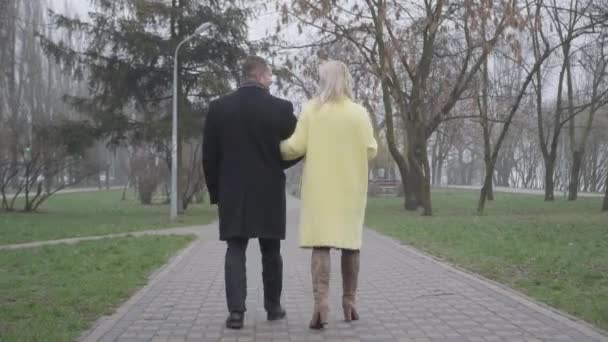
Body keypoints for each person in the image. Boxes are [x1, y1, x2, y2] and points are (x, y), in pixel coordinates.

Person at [202, 56, 299, 330]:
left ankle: (236, 314)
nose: (270, 81)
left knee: (235, 249)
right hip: (269, 190)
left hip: (233, 191)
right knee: (271, 250)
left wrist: (216, 192)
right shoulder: (280, 108)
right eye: (269, 76)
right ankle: (273, 308)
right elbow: (298, 145)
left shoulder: (219, 108)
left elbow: (209, 156)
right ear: (259, 76)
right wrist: (279, 163)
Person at [280, 60, 378, 330]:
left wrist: (272, 146)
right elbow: (371, 150)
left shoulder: (312, 109)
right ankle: (349, 303)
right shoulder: (359, 113)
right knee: (350, 244)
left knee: (321, 245)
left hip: (321, 190)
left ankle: (321, 305)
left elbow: (294, 147)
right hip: (350, 188)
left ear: (325, 81)